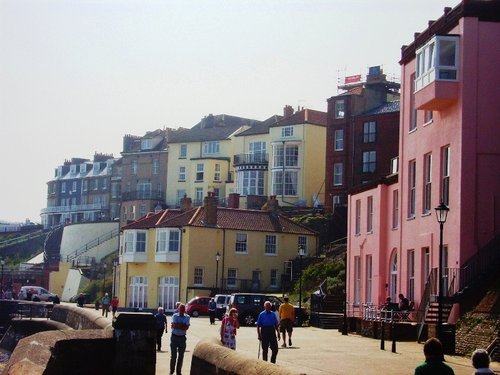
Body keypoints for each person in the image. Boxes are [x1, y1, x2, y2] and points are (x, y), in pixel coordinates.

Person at [170, 303, 190, 375]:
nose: (182, 311)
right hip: (174, 337)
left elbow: (186, 328)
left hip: (182, 338)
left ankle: (178, 372)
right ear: (178, 309)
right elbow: (174, 325)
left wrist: (178, 325)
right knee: (174, 356)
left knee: (181, 356)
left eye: (183, 310)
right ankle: (172, 370)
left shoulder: (187, 317)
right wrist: (182, 325)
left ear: (185, 310)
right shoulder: (174, 316)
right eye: (180, 309)